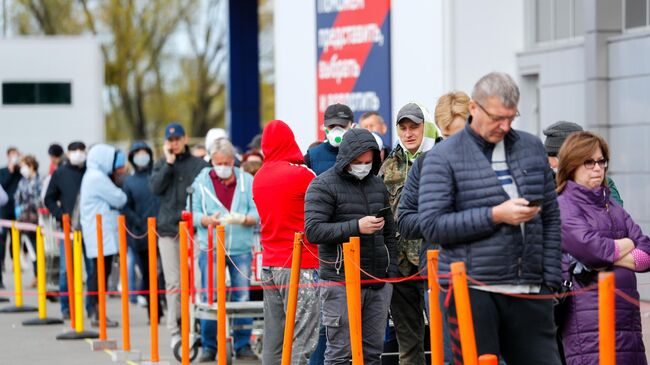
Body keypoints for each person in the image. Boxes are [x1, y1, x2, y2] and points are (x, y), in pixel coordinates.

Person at [418, 72, 562, 364]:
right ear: (474, 108)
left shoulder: (531, 147)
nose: (504, 126)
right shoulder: (442, 157)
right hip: (473, 289)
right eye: (497, 117)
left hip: (531, 289)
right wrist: (495, 215)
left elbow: (551, 219)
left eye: (511, 117)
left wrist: (550, 281)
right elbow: (432, 225)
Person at [556, 131, 649, 364]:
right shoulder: (563, 205)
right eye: (589, 162)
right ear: (571, 165)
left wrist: (613, 253)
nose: (597, 168)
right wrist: (627, 244)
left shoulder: (612, 205)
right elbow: (592, 249)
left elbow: (646, 254)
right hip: (588, 324)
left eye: (601, 161)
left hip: (628, 322)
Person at [305, 128, 397, 365]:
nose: (363, 166)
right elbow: (314, 231)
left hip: (377, 281)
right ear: (346, 158)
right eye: (358, 161)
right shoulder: (321, 185)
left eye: (368, 161)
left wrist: (390, 274)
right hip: (340, 281)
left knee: (373, 354)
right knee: (339, 354)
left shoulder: (378, 185)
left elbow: (389, 232)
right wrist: (356, 226)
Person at [396, 93, 469, 365]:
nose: (455, 145)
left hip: (487, 272)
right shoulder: (426, 164)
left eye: (461, 135)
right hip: (440, 274)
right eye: (448, 137)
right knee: (448, 357)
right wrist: (438, 219)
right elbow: (404, 220)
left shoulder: (492, 159)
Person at [252, 120, 320, 364]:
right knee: (303, 336)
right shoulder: (302, 174)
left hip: (270, 264)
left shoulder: (258, 178)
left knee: (274, 338)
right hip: (302, 265)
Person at [378, 102, 438, 364]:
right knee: (408, 343)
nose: (408, 133)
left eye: (414, 126)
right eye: (403, 128)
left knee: (444, 336)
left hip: (434, 260)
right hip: (400, 264)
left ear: (427, 127)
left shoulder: (442, 156)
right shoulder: (390, 163)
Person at [189, 138, 258, 361]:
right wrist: (207, 220)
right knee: (210, 297)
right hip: (211, 247)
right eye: (218, 162)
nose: (223, 166)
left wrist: (245, 218)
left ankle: (242, 344)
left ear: (233, 161)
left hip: (240, 248)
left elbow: (258, 213)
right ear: (212, 161)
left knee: (242, 297)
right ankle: (209, 345)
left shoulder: (246, 181)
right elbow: (193, 213)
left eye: (227, 162)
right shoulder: (201, 183)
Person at [150, 122, 209, 348]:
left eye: (177, 139)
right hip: (168, 230)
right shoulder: (161, 164)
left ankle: (198, 325)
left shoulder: (199, 164)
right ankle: (175, 329)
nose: (174, 143)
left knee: (198, 280)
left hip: (194, 228)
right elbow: (155, 189)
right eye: (170, 140)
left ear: (185, 139)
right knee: (174, 283)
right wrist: (168, 162)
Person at [79, 144, 127, 327]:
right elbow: (119, 198)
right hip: (99, 234)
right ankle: (97, 313)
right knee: (100, 274)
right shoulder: (97, 178)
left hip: (99, 233)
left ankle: (96, 311)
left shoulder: (92, 175)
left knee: (98, 274)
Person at [44, 141, 87, 319]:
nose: (77, 153)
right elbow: (49, 199)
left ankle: (93, 308)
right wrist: (61, 215)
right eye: (74, 151)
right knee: (66, 270)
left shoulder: (90, 172)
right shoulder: (60, 173)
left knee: (92, 270)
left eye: (80, 150)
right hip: (68, 229)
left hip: (90, 229)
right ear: (68, 154)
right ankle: (66, 308)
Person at [121, 141, 162, 321]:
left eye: (145, 152)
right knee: (147, 274)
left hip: (164, 231)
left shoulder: (158, 175)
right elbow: (126, 207)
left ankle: (172, 310)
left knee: (167, 273)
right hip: (141, 235)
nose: (142, 156)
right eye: (137, 153)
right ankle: (153, 312)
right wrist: (138, 222)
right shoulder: (129, 181)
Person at [543, 121, 624, 206]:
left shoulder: (601, 182)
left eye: (601, 161)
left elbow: (616, 214)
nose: (597, 168)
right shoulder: (541, 184)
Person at [304, 103, 354, 176]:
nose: (337, 130)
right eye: (331, 126)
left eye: (342, 126)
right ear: (325, 127)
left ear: (352, 126)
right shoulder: (311, 158)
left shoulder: (363, 155)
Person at [14, 155, 42, 285]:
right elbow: (17, 197)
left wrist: (26, 205)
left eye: (24, 166)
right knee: (31, 249)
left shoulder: (39, 180)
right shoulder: (22, 181)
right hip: (25, 220)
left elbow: (39, 199)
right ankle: (36, 275)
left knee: (39, 249)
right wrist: (19, 208)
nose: (22, 169)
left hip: (38, 220)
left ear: (31, 166)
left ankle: (40, 275)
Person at [0, 147, 22, 288]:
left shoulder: (21, 172)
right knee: (2, 240)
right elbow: (3, 190)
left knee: (16, 239)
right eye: (12, 155)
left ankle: (16, 262)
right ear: (8, 156)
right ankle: (2, 262)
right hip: (4, 210)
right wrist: (10, 170)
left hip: (17, 210)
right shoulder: (3, 171)